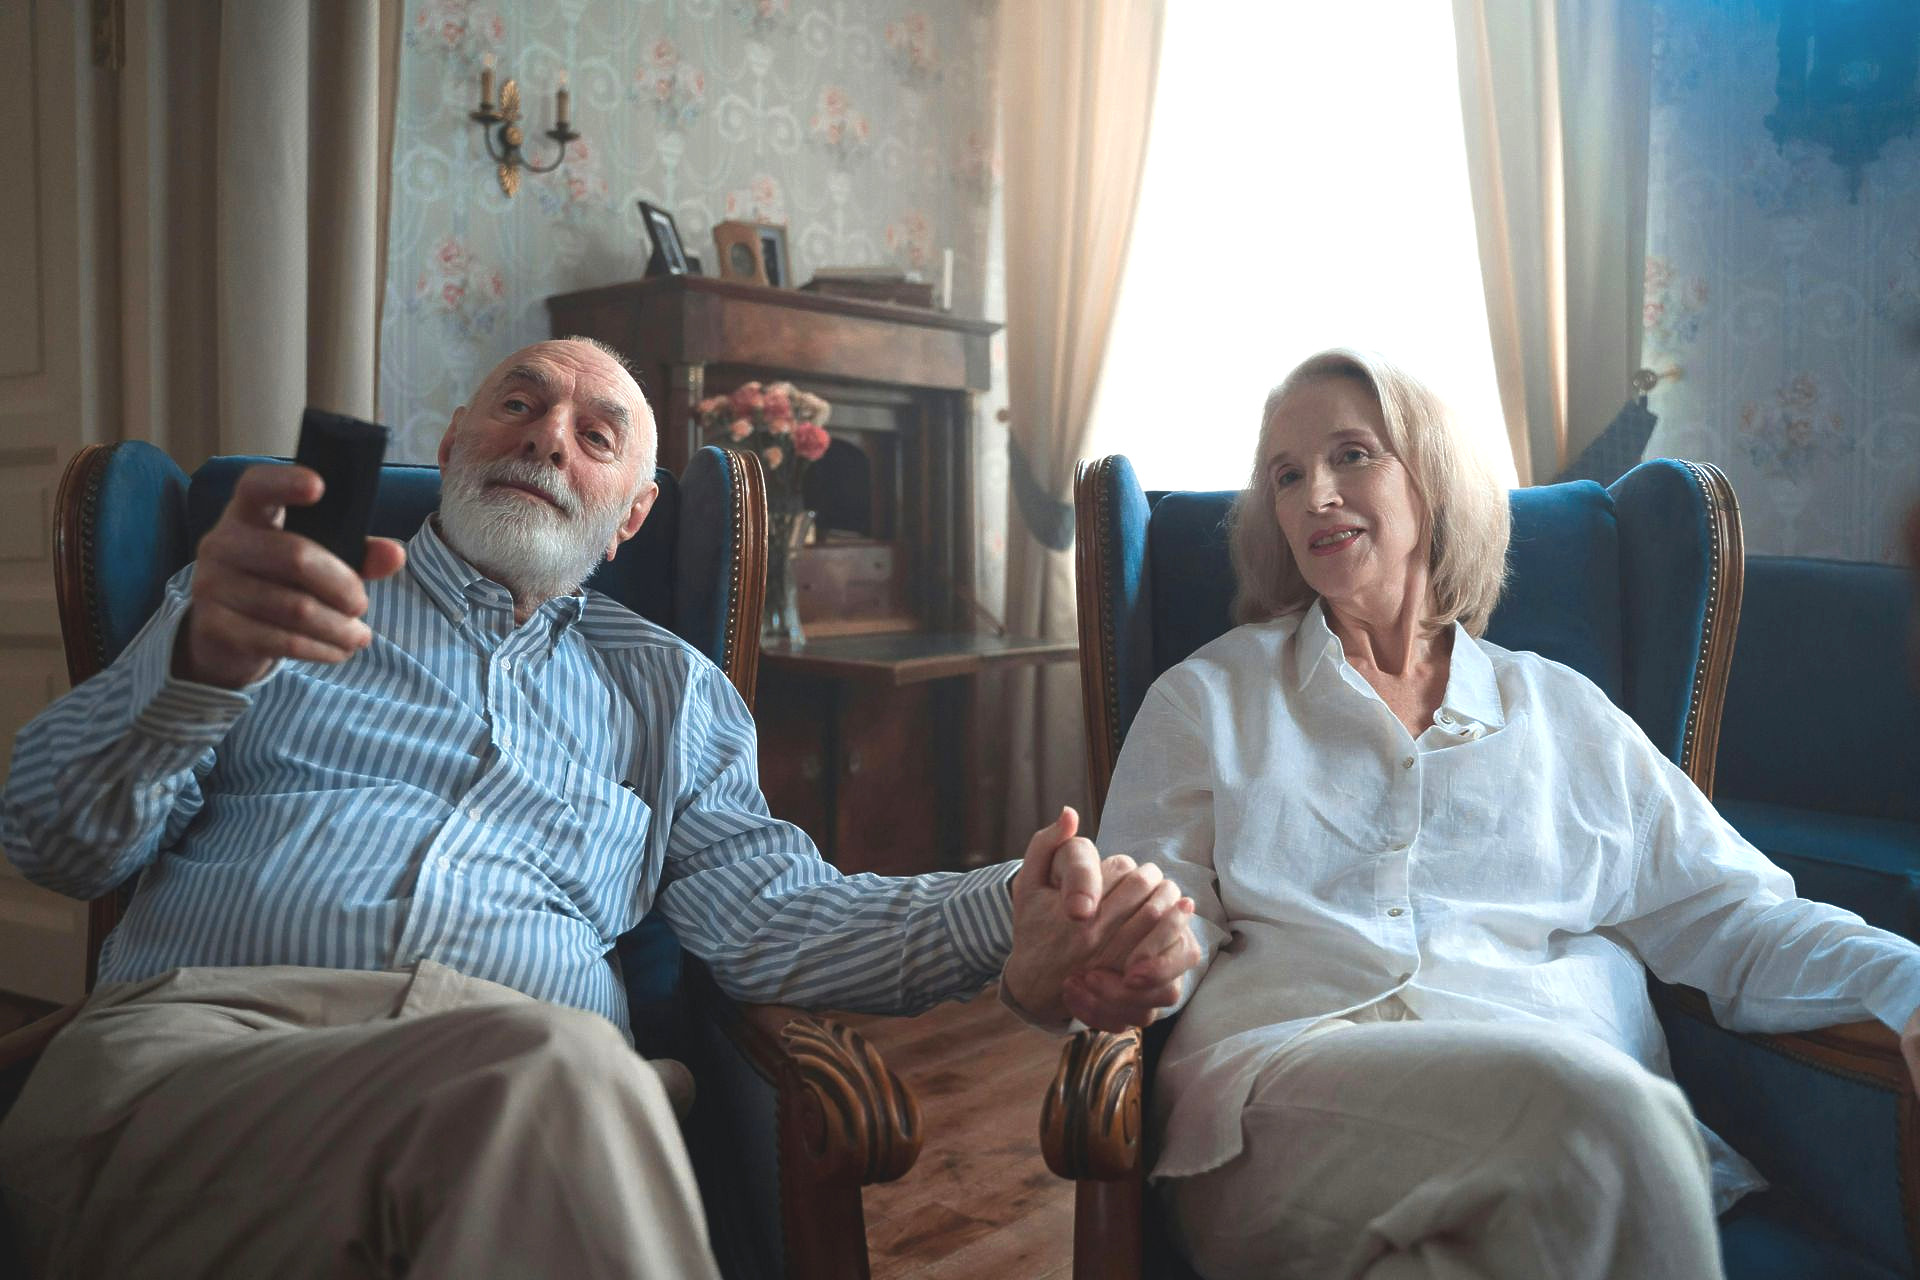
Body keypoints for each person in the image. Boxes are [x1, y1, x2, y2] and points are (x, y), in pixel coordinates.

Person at [0, 337, 1203, 1278]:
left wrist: (1009, 907)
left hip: (536, 1103)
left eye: (595, 433)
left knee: (555, 1079)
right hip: (206, 1059)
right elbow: (47, 835)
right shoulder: (262, 601)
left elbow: (777, 914)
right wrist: (195, 675)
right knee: (563, 1074)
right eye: (518, 405)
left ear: (632, 513)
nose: (546, 437)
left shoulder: (671, 691)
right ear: (455, 443)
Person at [1093, 347, 1920, 1280]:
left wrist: (1909, 984)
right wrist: (1142, 952)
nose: (1316, 494)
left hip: (1550, 1140)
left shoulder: (1563, 712)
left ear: (1433, 478)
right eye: (1286, 476)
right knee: (1598, 1120)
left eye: (1352, 455)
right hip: (1288, 1103)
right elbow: (1153, 919)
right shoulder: (1206, 699)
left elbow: (1737, 918)